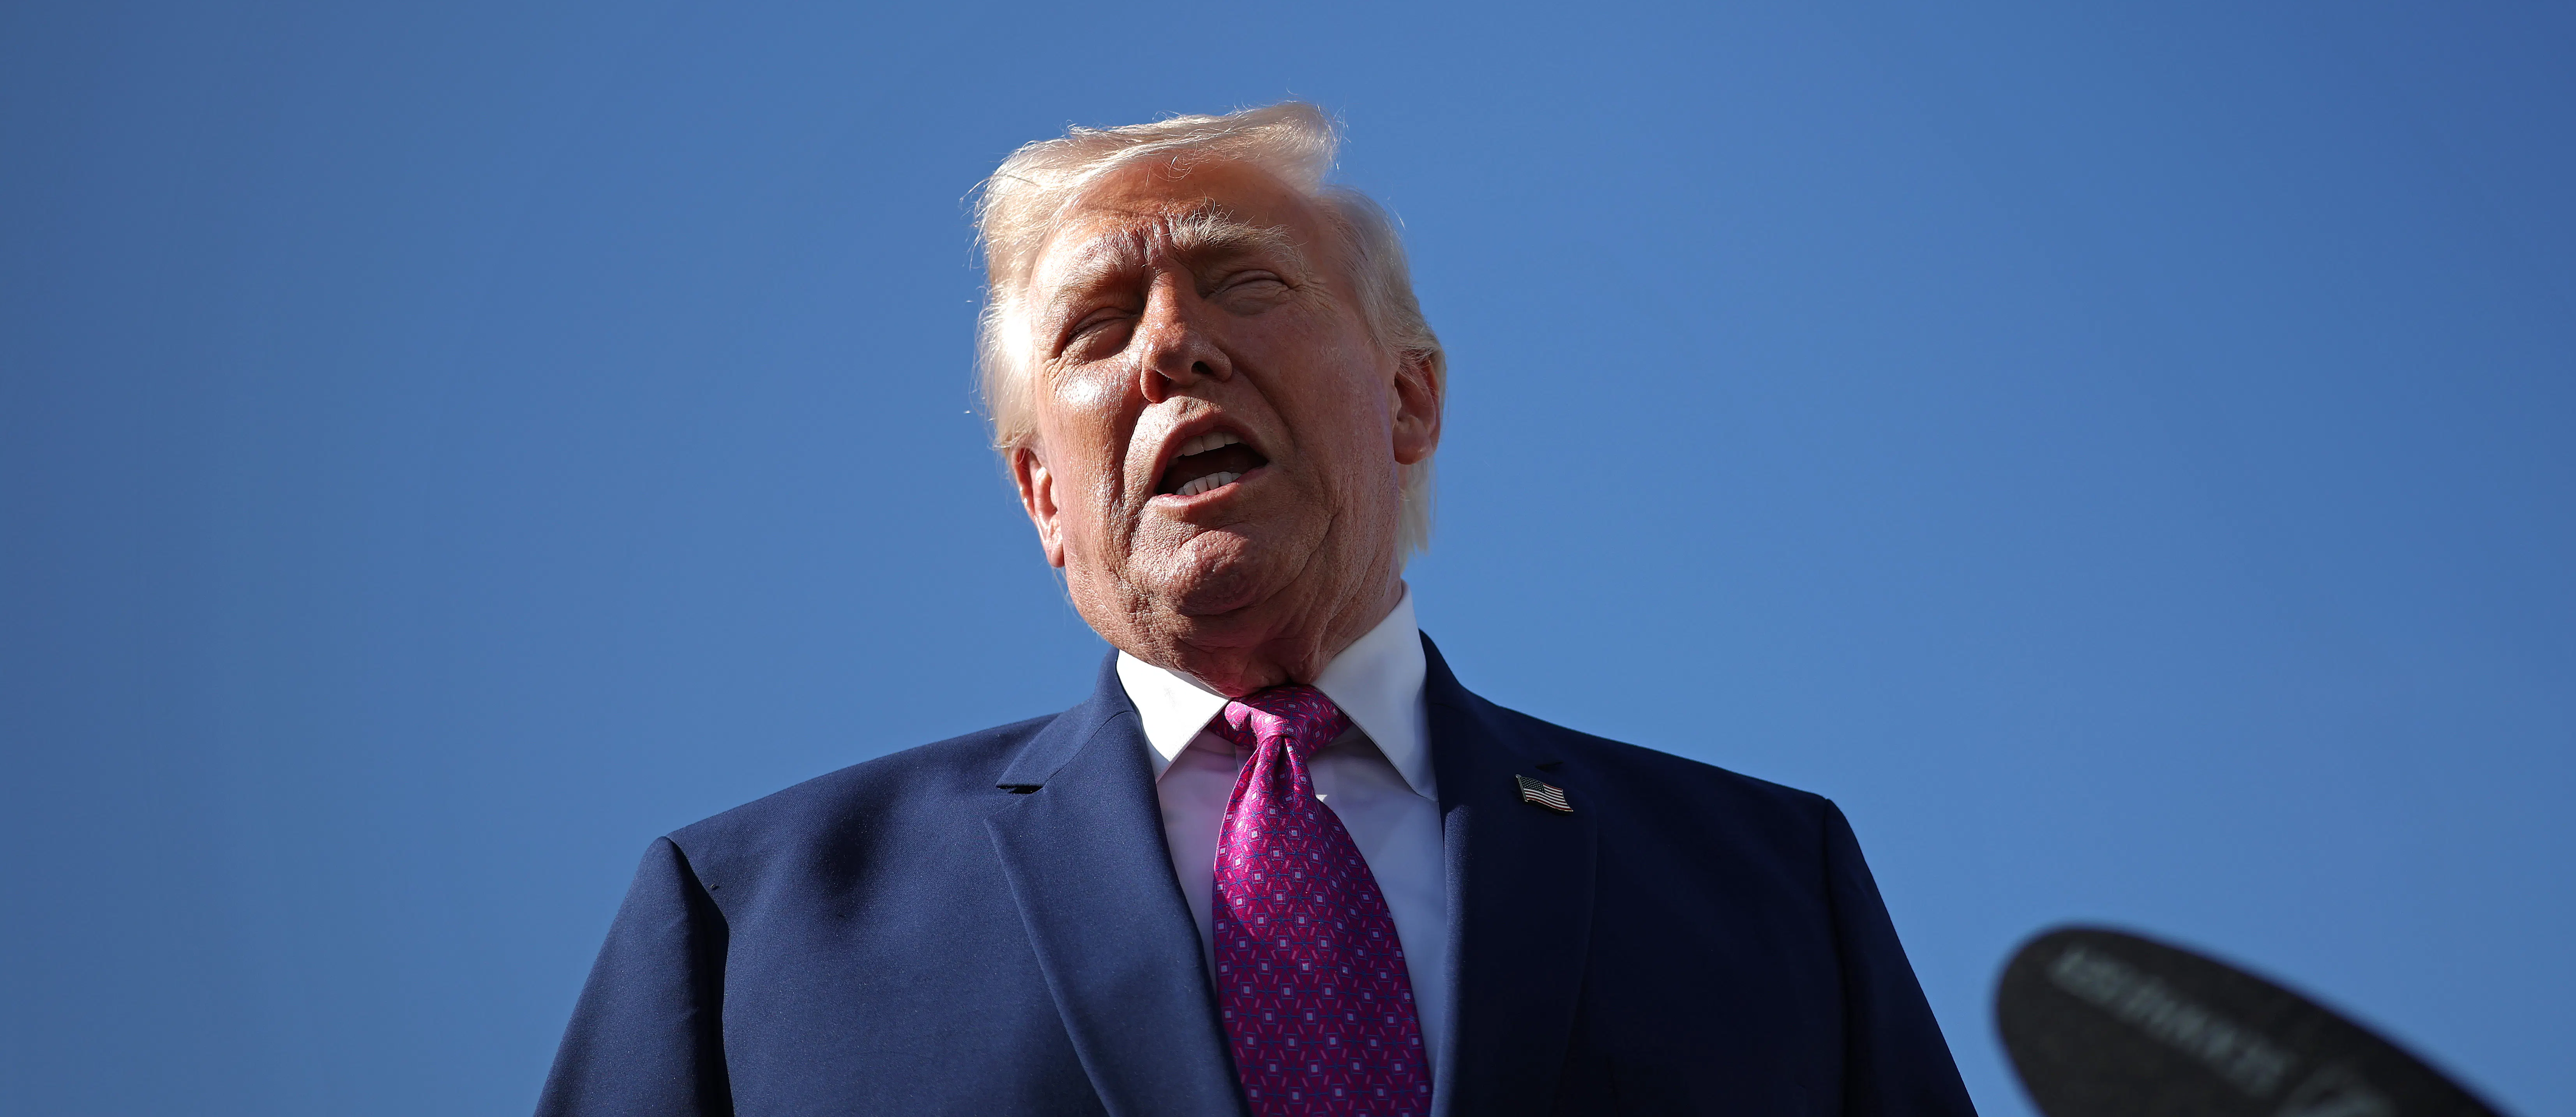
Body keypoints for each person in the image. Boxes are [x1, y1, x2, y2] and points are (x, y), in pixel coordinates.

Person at [535, 103, 1976, 1117]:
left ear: (1410, 398)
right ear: (1043, 494)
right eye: (1098, 327)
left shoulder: (1771, 888)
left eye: (1244, 280)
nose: (1174, 344)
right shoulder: (750, 929)